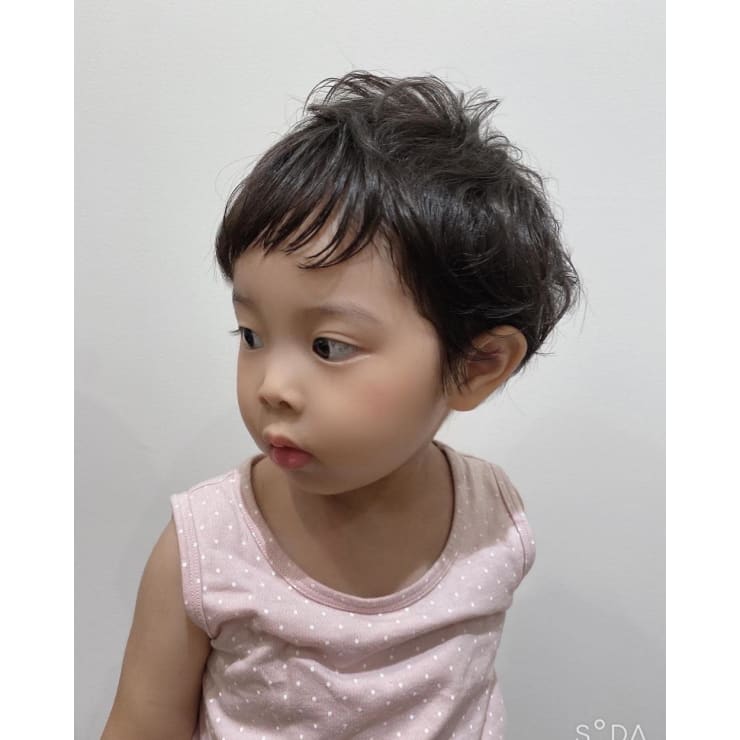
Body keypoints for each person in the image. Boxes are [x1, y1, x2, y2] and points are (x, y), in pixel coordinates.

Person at [102, 70, 581, 740]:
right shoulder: (205, 547)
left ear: (475, 366)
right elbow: (141, 724)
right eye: (251, 335)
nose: (272, 386)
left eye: (328, 346)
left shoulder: (493, 517)